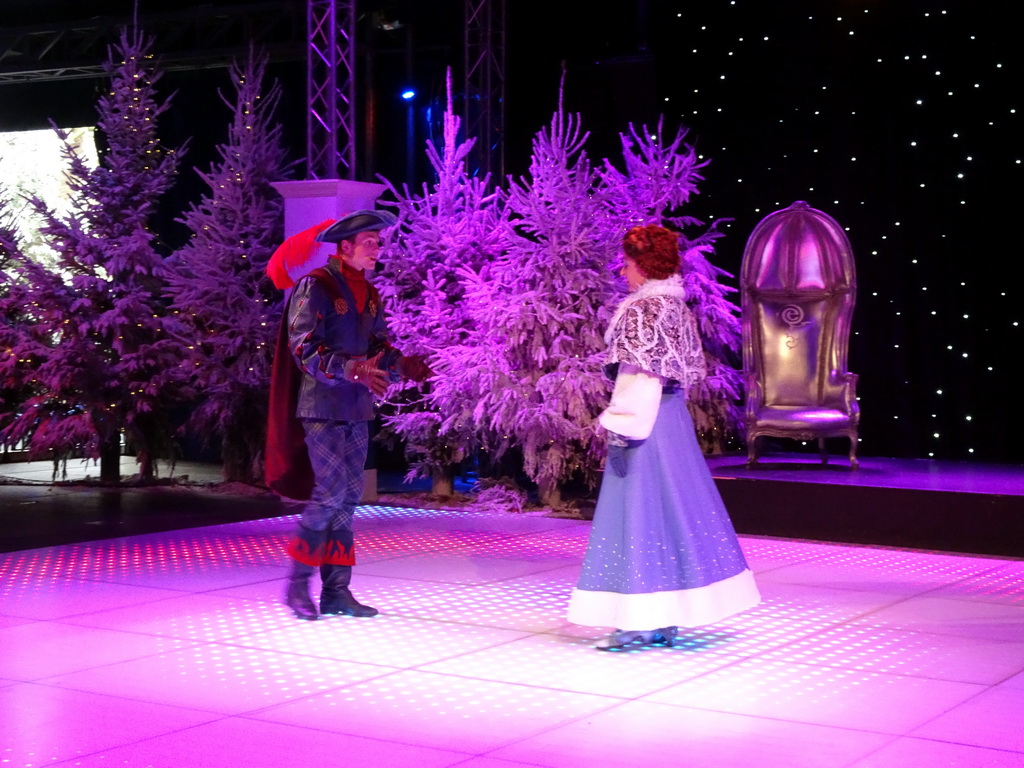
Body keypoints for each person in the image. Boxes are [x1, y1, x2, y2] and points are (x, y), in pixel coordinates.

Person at [567, 224, 760, 649]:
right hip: (672, 418)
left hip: (644, 416)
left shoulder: (642, 310)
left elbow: (640, 373)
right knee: (672, 511)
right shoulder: (676, 306)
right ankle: (665, 617)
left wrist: (619, 421)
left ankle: (637, 618)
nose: (622, 271)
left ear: (643, 265)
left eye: (627, 263)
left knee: (637, 514)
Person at [265, 209, 430, 621]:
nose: (377, 249)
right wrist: (351, 368)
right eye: (369, 243)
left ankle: (337, 592)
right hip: (322, 406)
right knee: (331, 491)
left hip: (356, 406)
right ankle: (297, 584)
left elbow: (376, 347)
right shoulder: (316, 286)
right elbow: (302, 347)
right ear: (345, 247)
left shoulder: (370, 294)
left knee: (347, 498)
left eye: (378, 243)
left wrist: (401, 364)